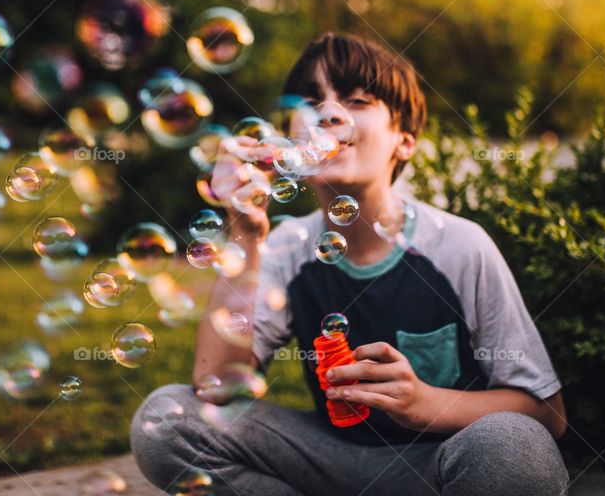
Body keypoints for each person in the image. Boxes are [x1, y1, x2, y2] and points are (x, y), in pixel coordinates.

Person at [132, 32, 569, 495]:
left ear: (405, 142)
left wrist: (426, 403)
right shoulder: (285, 247)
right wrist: (245, 232)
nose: (327, 113)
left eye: (357, 100)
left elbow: (547, 412)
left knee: (516, 447)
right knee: (167, 420)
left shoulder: (459, 246)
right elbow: (216, 385)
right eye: (310, 103)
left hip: (435, 466)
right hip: (328, 460)